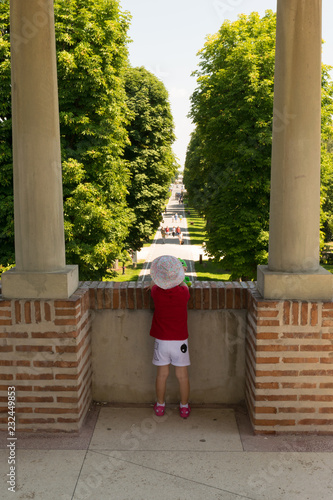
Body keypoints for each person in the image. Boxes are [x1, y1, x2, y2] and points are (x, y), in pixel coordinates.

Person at [148, 255, 191, 418]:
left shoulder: (156, 293)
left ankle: (160, 405)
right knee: (182, 375)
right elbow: (183, 284)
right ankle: (184, 407)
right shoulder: (184, 292)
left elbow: (154, 284)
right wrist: (181, 276)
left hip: (162, 341)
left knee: (162, 375)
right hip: (181, 341)